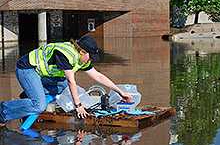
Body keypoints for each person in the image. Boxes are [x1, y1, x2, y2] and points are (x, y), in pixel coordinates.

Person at [0, 35, 132, 126]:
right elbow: (71, 82)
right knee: (39, 106)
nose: (91, 60)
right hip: (27, 69)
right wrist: (78, 106)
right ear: (82, 52)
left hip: (44, 74)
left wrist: (120, 92)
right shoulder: (65, 54)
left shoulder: (82, 59)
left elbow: (98, 76)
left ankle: (29, 95)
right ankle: (3, 111)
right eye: (90, 57)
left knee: (63, 90)